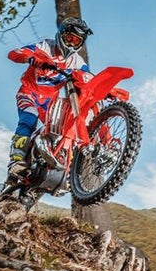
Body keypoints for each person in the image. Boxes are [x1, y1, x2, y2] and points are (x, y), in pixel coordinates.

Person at [6, 16, 93, 179]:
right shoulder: (46, 47)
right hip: (29, 93)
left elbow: (88, 80)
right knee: (29, 119)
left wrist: (107, 90)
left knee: (59, 130)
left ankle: (48, 164)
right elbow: (14, 54)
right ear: (61, 34)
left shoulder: (77, 61)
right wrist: (31, 57)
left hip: (49, 102)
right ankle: (16, 161)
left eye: (76, 41)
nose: (71, 44)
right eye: (69, 38)